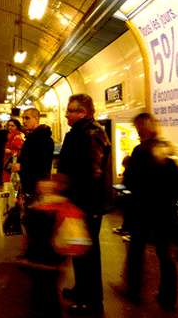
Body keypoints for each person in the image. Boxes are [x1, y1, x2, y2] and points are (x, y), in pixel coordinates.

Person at [117, 113, 178, 311]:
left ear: (139, 129)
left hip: (142, 211)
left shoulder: (139, 151)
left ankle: (134, 290)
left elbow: (129, 181)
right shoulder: (167, 149)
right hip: (165, 212)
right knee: (165, 255)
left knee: (136, 251)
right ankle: (168, 297)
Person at [57, 93, 111, 315]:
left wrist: (66, 192)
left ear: (83, 112)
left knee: (86, 252)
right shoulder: (98, 132)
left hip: (83, 202)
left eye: (70, 110)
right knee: (82, 249)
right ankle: (82, 290)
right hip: (91, 202)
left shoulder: (80, 135)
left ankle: (91, 301)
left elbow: (85, 172)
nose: (66, 114)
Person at [11, 108, 54, 256]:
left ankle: (37, 253)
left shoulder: (43, 139)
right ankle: (33, 250)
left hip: (37, 185)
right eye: (23, 118)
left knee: (36, 221)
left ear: (36, 118)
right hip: (29, 183)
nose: (24, 121)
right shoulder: (32, 137)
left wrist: (22, 166)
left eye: (27, 118)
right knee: (30, 219)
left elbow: (42, 163)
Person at [1, 118, 24, 184]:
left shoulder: (18, 137)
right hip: (9, 161)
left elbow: (22, 151)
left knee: (11, 181)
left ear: (17, 127)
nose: (10, 127)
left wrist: (11, 151)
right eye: (9, 125)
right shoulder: (10, 135)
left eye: (12, 126)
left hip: (13, 163)